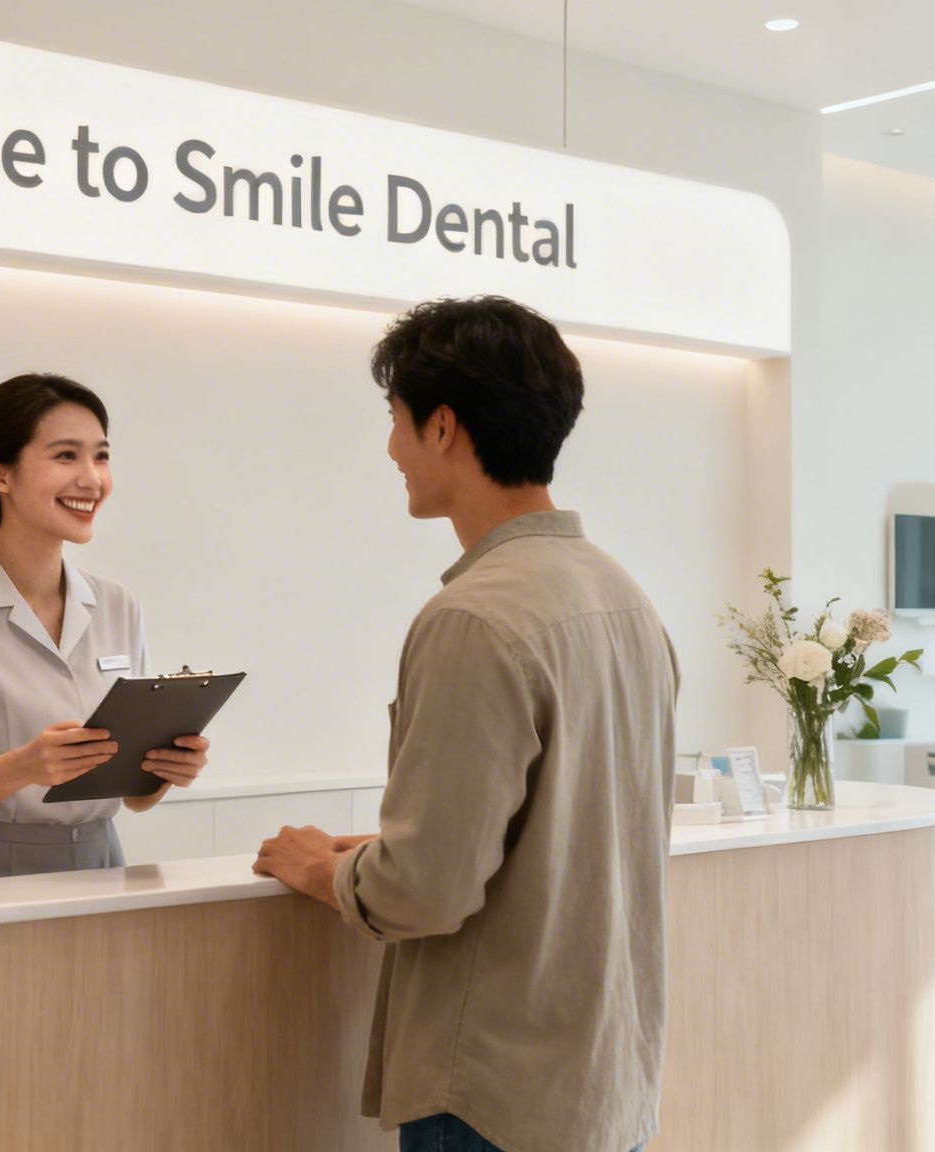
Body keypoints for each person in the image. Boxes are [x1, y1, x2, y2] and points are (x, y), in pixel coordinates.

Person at [253, 298, 678, 1152]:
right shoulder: (627, 600)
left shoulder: (474, 618)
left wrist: (320, 871)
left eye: (397, 421)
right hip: (604, 1088)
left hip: (493, 1096)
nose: (391, 450)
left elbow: (426, 891)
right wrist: (382, 849)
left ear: (442, 426)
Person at [0, 373, 209, 882]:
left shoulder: (119, 606)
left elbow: (133, 798)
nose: (92, 479)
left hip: (103, 870)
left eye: (101, 456)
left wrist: (164, 771)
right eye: (66, 456)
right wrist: (23, 767)